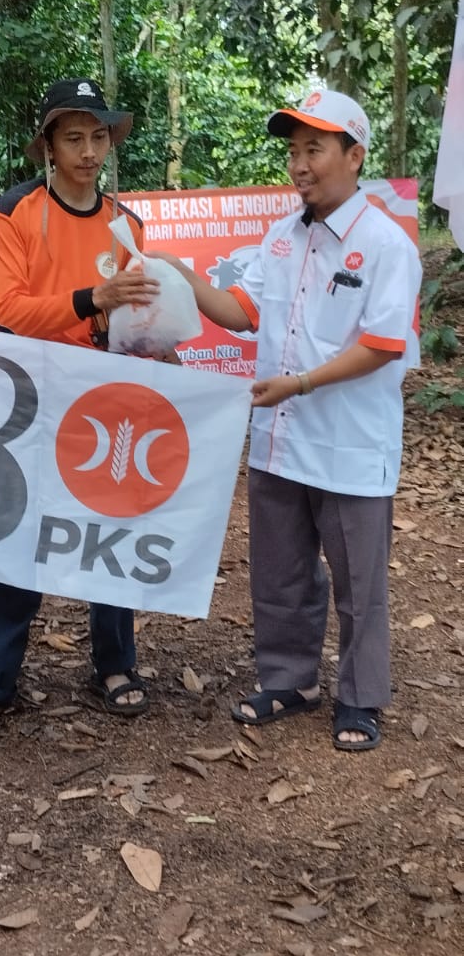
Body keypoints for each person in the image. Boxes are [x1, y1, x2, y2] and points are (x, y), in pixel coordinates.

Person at [164, 89, 422, 752]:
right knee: (279, 573)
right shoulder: (281, 237)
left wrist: (301, 383)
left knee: (359, 583)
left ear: (354, 156)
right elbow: (240, 311)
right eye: (293, 150)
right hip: (279, 441)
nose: (299, 164)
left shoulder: (386, 245)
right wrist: (179, 274)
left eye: (315, 149)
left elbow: (382, 345)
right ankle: (289, 680)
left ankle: (360, 697)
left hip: (349, 444)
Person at [0, 77, 158, 736]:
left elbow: (133, 316)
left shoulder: (127, 224)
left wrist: (150, 338)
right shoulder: (13, 211)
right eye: (74, 138)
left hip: (104, 396)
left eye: (99, 137)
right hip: (34, 394)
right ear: (48, 144)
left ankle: (115, 664)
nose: (89, 151)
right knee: (17, 530)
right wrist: (92, 300)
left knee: (110, 527)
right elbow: (9, 312)